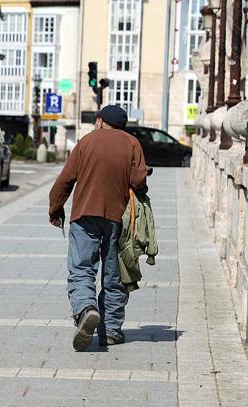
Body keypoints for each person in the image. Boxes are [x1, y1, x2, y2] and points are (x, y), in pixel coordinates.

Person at [48, 105, 148, 351]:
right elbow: (139, 180)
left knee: (81, 269)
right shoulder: (132, 143)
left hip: (84, 215)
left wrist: (55, 208)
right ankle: (111, 332)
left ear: (101, 121)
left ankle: (86, 310)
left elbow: (66, 179)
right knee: (114, 275)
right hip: (117, 218)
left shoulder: (86, 142)